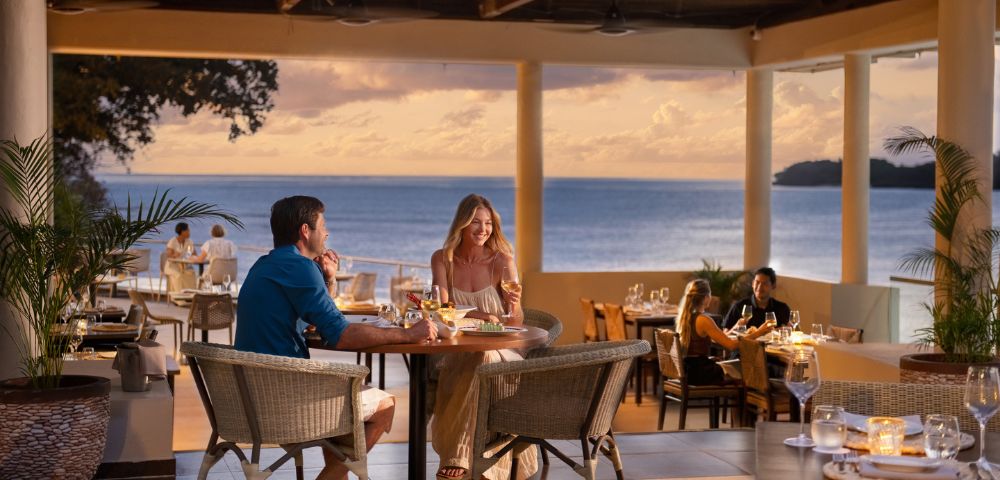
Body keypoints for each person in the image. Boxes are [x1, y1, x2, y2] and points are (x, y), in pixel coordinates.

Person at [234, 195, 437, 480]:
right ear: (306, 230)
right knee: (385, 404)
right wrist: (407, 334)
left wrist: (328, 279)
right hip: (286, 404)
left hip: (250, 400)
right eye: (323, 225)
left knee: (344, 410)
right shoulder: (300, 267)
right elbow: (340, 334)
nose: (326, 232)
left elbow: (316, 320)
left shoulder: (264, 265)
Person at [428, 194, 537, 480]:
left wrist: (514, 304)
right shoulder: (443, 259)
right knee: (475, 359)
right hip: (456, 352)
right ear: (462, 224)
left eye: (488, 223)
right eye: (475, 222)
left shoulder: (502, 260)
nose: (482, 229)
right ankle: (483, 461)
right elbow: (442, 310)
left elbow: (515, 323)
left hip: (501, 353)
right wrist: (483, 317)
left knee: (483, 356)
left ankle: (460, 455)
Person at [676, 279, 773, 385]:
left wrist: (735, 327)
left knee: (738, 365)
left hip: (689, 370)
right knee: (747, 366)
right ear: (705, 298)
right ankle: (751, 399)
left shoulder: (686, 317)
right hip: (701, 373)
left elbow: (717, 338)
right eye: (710, 294)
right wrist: (759, 332)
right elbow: (731, 345)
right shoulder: (703, 319)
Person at [723, 267, 791, 331]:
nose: (760, 287)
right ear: (753, 284)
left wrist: (784, 329)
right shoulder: (739, 306)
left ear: (773, 286)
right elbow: (725, 334)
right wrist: (736, 327)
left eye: (765, 283)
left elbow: (793, 330)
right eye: (757, 282)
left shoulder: (782, 308)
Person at [163, 222, 196, 292]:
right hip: (172, 266)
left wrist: (191, 255)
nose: (189, 232)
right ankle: (178, 298)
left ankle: (190, 296)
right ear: (182, 231)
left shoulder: (189, 241)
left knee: (192, 274)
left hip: (183, 266)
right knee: (178, 275)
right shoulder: (173, 241)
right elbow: (169, 256)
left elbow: (194, 254)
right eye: (188, 230)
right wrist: (175, 255)